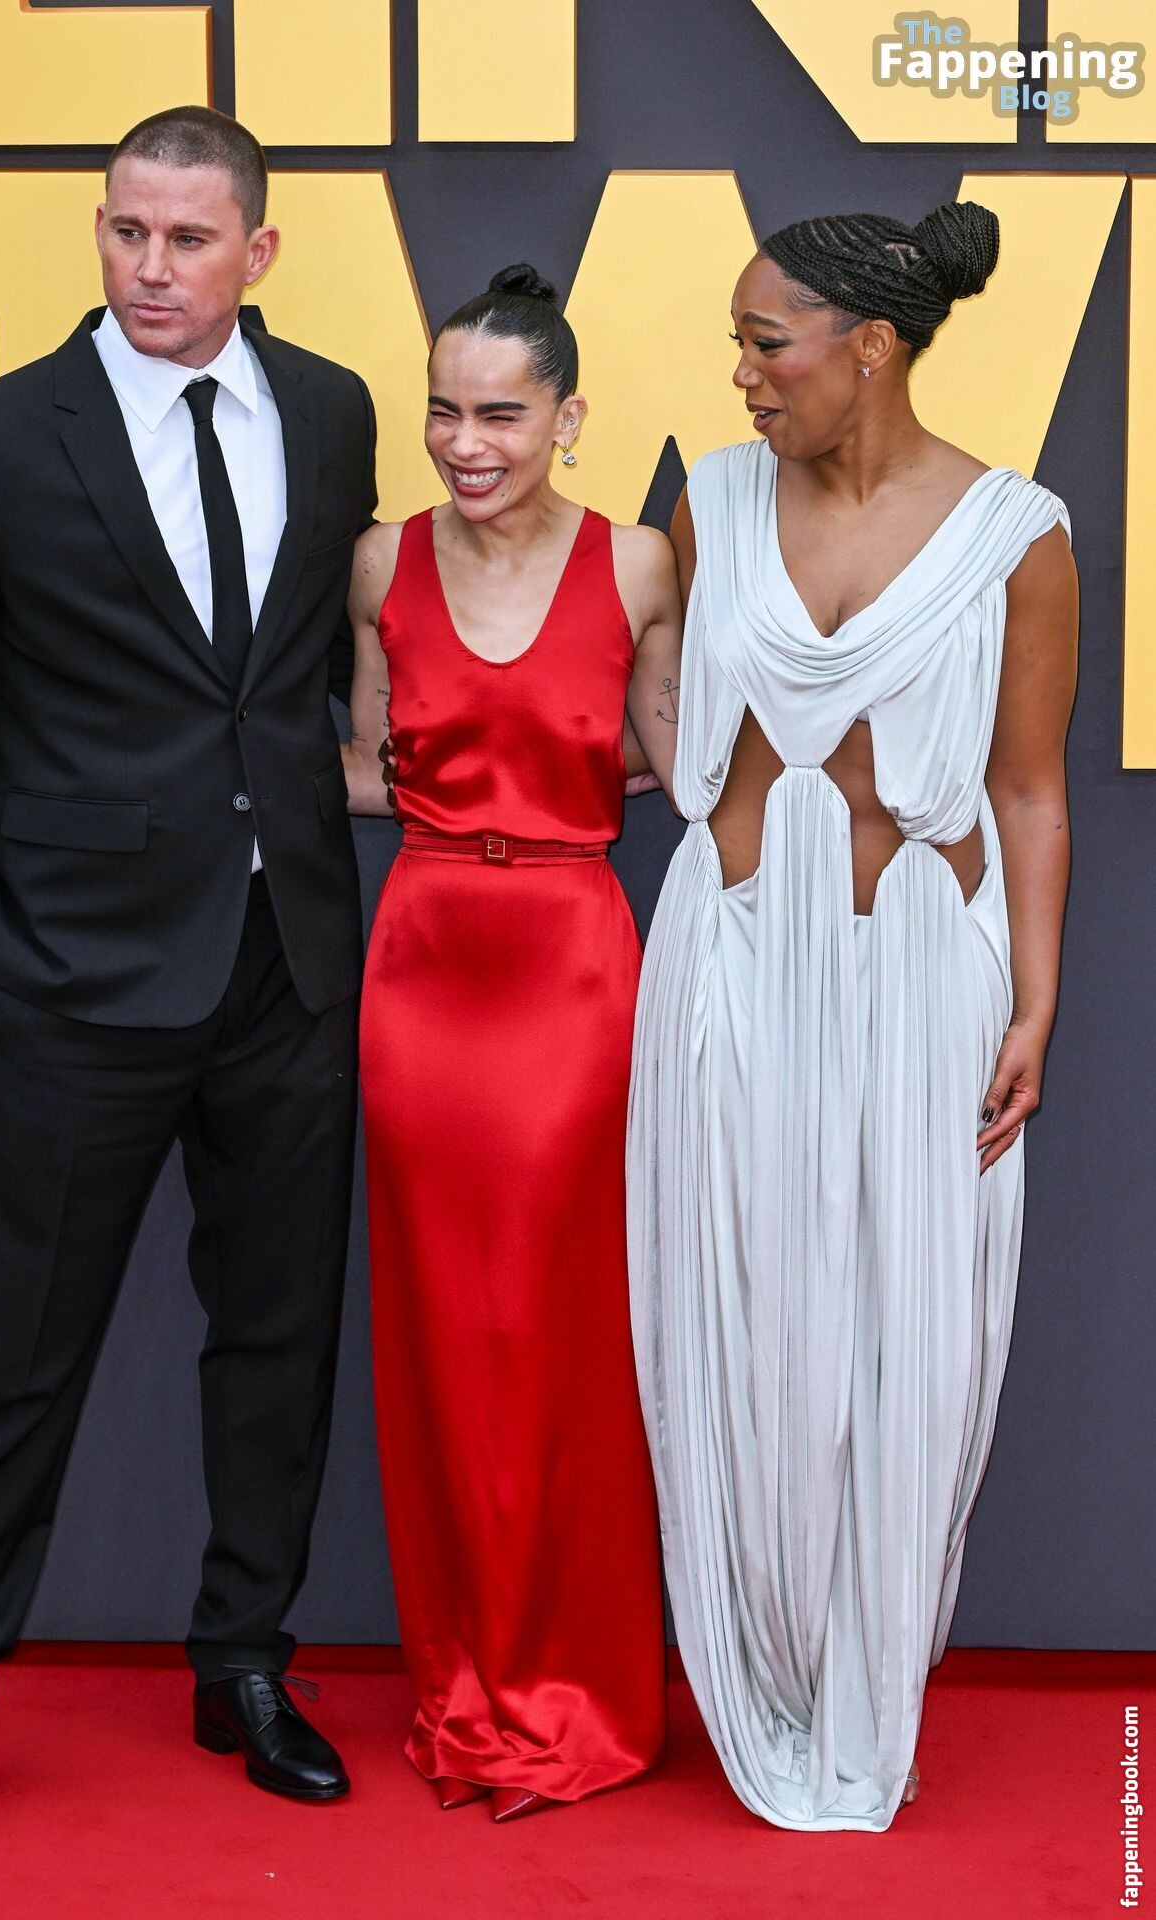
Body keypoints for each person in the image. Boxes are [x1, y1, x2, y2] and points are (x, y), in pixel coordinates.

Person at [0, 106, 376, 1856]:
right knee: (15, 1367)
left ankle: (246, 1663)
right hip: (71, 987)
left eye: (188, 238)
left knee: (279, 1341)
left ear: (257, 250)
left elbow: (306, 681)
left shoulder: (331, 411)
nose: (151, 268)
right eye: (126, 232)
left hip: (288, 968)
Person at [627, 202, 1079, 1831]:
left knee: (907, 1335)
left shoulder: (1017, 533)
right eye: (740, 345)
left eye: (769, 343)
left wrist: (1036, 999)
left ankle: (865, 1688)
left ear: (870, 346)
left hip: (918, 979)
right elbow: (665, 711)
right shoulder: (713, 501)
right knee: (738, 1314)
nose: (745, 374)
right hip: (736, 961)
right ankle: (760, 1666)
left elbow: (1030, 790)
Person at [344, 265, 681, 1823]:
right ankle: (465, 1680)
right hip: (421, 968)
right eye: (442, 412)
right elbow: (368, 763)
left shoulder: (640, 562)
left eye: (499, 414)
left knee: (564, 1331)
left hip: (571, 969)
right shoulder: (380, 561)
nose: (465, 444)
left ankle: (577, 1688)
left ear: (567, 415)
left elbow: (671, 760)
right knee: (437, 1333)